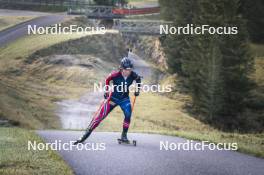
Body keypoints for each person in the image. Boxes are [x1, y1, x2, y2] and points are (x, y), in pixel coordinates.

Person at [74, 57, 141, 145]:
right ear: (121, 68)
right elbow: (107, 80)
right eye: (126, 69)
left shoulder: (133, 75)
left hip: (124, 99)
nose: (128, 71)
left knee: (128, 115)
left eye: (130, 69)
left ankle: (124, 136)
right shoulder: (115, 75)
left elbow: (138, 79)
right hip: (113, 98)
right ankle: (84, 136)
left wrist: (137, 90)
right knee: (100, 117)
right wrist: (106, 91)